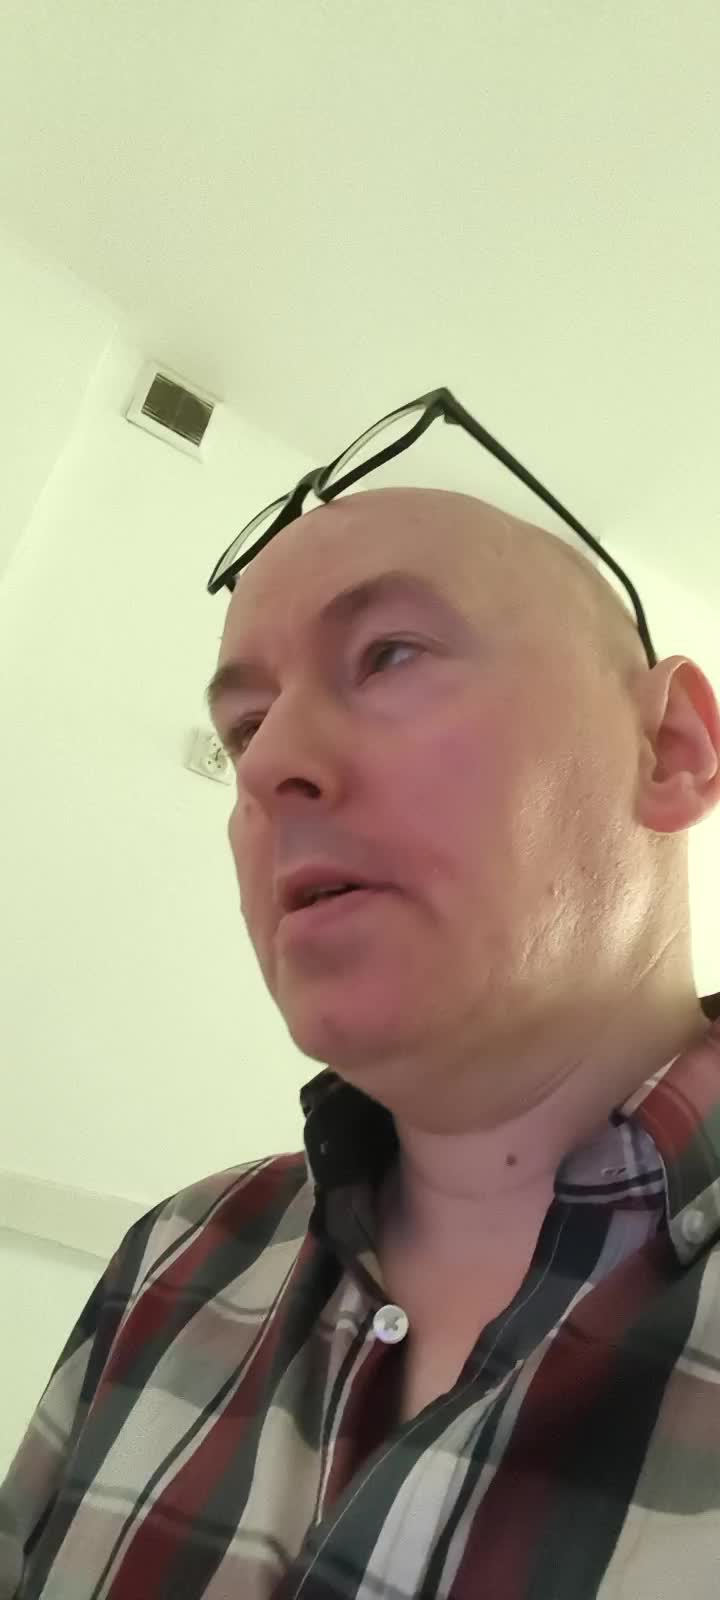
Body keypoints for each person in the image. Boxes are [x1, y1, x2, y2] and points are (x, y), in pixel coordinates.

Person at [2, 485, 720, 1599]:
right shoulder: (171, 1262)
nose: (264, 764)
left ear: (669, 749)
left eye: (388, 655)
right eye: (246, 724)